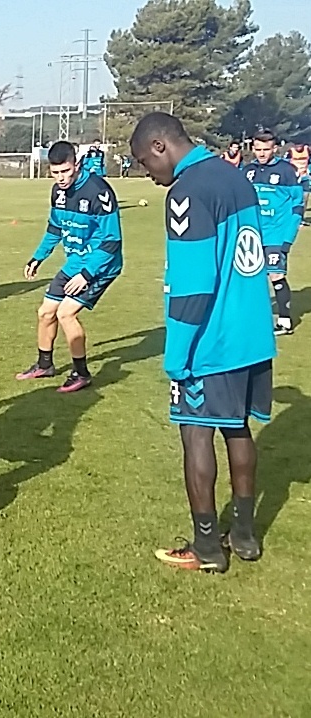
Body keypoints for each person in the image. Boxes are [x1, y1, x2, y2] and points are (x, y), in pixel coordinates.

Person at [131, 112, 276, 573]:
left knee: (196, 434)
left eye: (143, 162)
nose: (146, 174)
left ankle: (207, 547)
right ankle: (246, 535)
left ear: (160, 147)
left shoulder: (187, 190)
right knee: (237, 428)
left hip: (212, 339)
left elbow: (194, 284)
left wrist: (176, 354)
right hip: (252, 334)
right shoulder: (234, 177)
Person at [16, 141, 123, 393]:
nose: (61, 178)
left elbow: (112, 242)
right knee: (45, 312)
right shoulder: (57, 192)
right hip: (75, 262)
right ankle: (44, 365)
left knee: (66, 313)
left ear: (76, 164)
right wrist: (37, 258)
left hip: (101, 264)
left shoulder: (99, 191)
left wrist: (87, 275)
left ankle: (81, 373)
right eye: (55, 173)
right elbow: (55, 229)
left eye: (66, 171)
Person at [244, 129, 303, 335]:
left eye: (266, 149)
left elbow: (297, 206)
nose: (261, 153)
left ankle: (285, 320)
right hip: (252, 234)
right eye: (258, 149)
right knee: (250, 275)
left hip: (276, 234)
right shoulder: (248, 170)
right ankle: (254, 317)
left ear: (275, 148)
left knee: (276, 274)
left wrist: (287, 239)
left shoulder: (286, 171)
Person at [283, 140, 310, 227]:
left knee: (305, 198)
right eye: (297, 145)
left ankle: (301, 219)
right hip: (294, 178)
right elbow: (284, 163)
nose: (299, 147)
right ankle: (292, 218)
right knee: (295, 199)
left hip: (305, 177)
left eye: (300, 144)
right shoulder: (290, 152)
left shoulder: (308, 150)